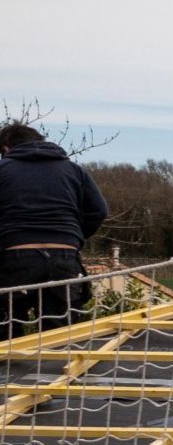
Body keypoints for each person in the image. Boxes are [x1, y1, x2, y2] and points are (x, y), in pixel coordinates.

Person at [0, 122, 109, 339]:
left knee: (7, 333)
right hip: (64, 258)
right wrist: (72, 237)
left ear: (5, 148)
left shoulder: (3, 169)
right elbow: (99, 210)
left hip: (14, 258)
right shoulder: (74, 170)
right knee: (59, 338)